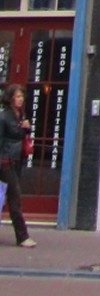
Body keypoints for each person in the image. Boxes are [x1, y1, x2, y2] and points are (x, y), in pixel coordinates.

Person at [0, 84, 36, 247]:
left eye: (22, 96)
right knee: (15, 197)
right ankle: (22, 237)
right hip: (6, 161)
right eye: (17, 96)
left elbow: (22, 137)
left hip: (17, 161)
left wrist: (27, 129)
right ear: (10, 98)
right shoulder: (3, 117)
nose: (20, 99)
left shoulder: (20, 116)